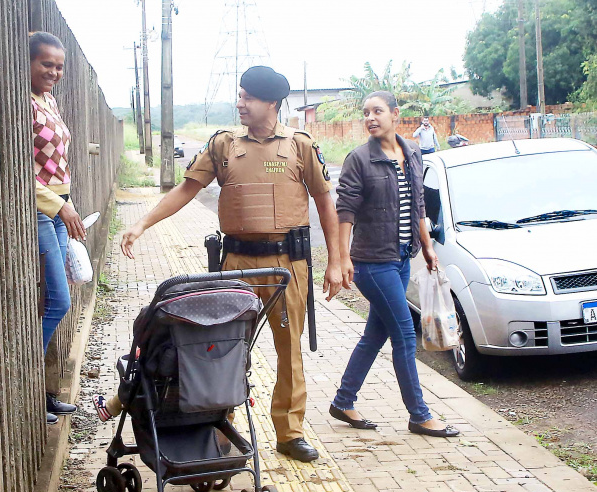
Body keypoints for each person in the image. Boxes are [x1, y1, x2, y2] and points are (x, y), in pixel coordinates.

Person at [114, 66, 343, 462]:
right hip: (235, 262)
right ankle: (220, 426)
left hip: (286, 265)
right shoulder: (223, 145)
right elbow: (186, 189)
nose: (240, 103)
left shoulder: (300, 145)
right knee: (220, 346)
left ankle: (289, 433)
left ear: (271, 103)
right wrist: (141, 224)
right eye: (239, 96)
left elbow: (326, 204)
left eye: (248, 97)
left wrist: (337, 261)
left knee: (289, 348)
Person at [330, 91, 459, 438]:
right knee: (404, 334)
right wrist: (342, 259)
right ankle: (419, 415)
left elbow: (419, 204)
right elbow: (346, 212)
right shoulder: (358, 159)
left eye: (378, 111)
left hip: (402, 258)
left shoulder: (413, 152)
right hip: (372, 263)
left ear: (395, 114)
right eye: (366, 113)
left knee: (376, 333)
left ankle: (343, 400)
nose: (371, 118)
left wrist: (427, 248)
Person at [30, 31, 83, 424]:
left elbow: (57, 164)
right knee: (59, 301)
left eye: (59, 66)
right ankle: (32, 391)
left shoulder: (47, 99)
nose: (53, 72)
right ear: (28, 62)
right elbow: (21, 171)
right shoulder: (22, 104)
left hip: (59, 207)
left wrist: (68, 203)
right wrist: (57, 206)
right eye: (46, 63)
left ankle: (46, 394)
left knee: (57, 297)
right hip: (41, 210)